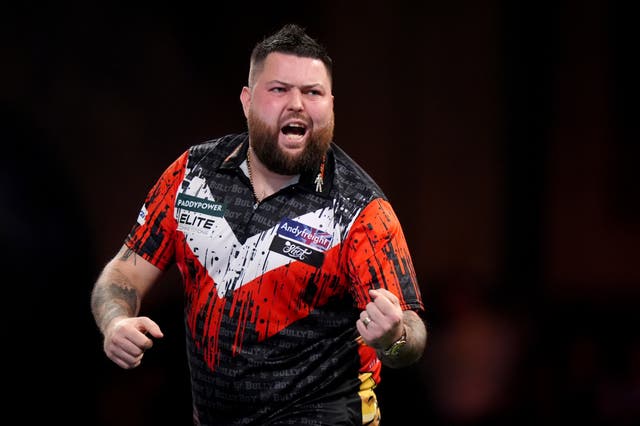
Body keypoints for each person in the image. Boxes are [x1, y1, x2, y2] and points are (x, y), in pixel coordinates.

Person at [90, 23, 427, 426]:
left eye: (313, 92)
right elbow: (123, 273)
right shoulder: (192, 174)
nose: (297, 104)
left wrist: (393, 338)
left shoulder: (360, 210)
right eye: (279, 89)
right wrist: (115, 322)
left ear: (331, 105)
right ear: (247, 101)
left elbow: (411, 333)